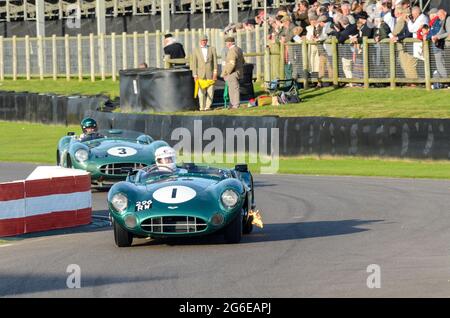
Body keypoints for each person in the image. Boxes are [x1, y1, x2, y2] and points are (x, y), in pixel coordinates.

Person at [191, 34, 218, 111]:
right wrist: (195, 75)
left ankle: (208, 106)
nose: (204, 42)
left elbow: (215, 62)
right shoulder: (195, 50)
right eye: (202, 40)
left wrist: (215, 73)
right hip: (200, 74)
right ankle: (202, 107)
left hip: (210, 74)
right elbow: (194, 64)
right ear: (200, 41)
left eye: (205, 40)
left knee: (211, 91)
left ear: (207, 41)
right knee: (201, 92)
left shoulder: (212, 49)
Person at [221, 37, 245, 109]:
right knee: (233, 88)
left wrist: (226, 72)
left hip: (232, 72)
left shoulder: (232, 50)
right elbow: (243, 61)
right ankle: (232, 104)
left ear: (229, 43)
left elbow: (232, 64)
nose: (226, 45)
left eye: (226, 43)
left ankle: (235, 104)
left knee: (234, 89)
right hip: (238, 71)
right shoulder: (239, 49)